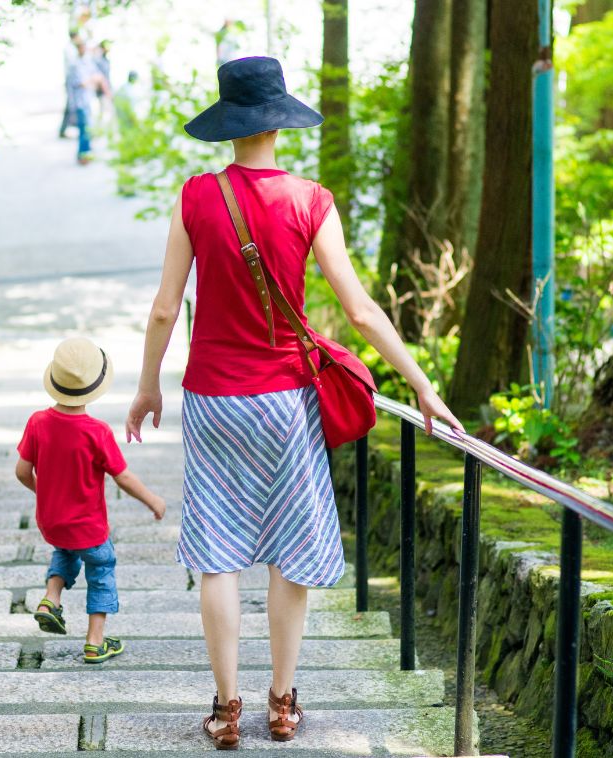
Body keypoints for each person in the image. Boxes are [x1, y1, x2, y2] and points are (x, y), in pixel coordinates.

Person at [124, 57, 464, 749]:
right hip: (285, 399)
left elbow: (165, 309)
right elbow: (361, 311)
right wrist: (421, 384)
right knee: (289, 549)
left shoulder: (196, 198)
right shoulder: (311, 200)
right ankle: (282, 703)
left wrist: (147, 386)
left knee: (217, 554)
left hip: (215, 400)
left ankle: (227, 710)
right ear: (280, 120)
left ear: (229, 125)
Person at [16, 337, 165, 663]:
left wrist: (44, 492)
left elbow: (22, 471)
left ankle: (50, 599)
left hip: (52, 523)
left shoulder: (37, 423)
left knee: (64, 552)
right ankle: (95, 642)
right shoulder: (96, 432)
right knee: (101, 570)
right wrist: (152, 500)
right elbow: (122, 477)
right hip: (90, 528)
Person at [67, 38, 109, 164]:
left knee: (88, 129)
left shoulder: (88, 62)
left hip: (88, 100)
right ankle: (82, 155)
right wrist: (92, 80)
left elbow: (98, 77)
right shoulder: (75, 64)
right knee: (83, 130)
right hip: (80, 102)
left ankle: (87, 153)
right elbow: (82, 83)